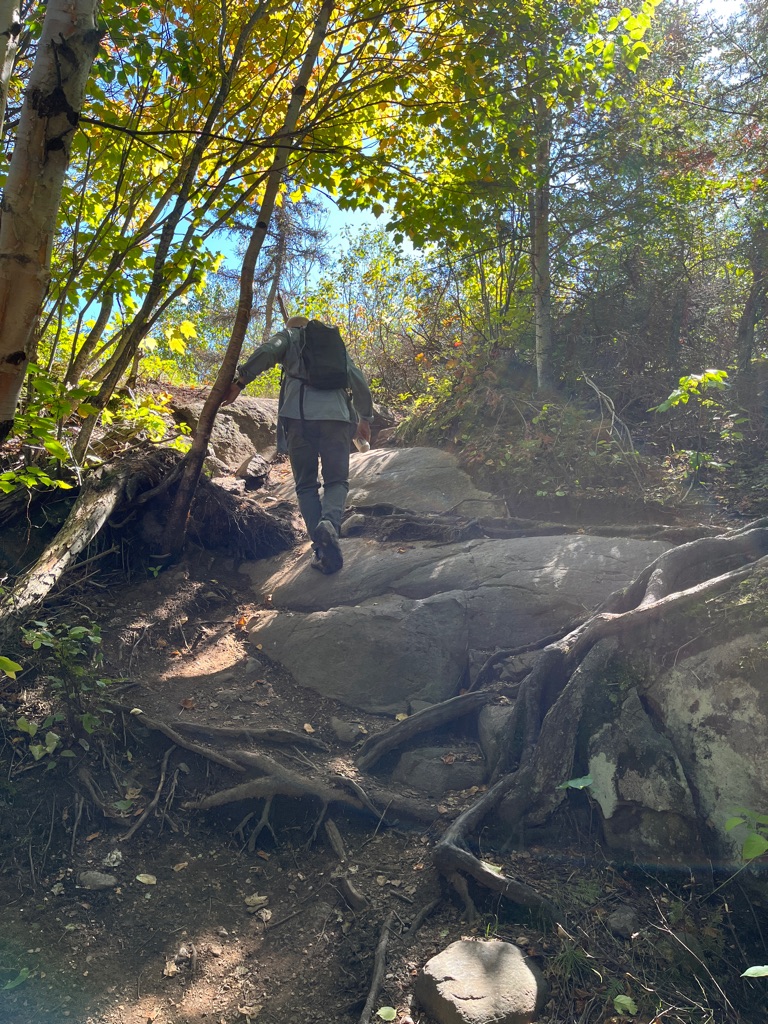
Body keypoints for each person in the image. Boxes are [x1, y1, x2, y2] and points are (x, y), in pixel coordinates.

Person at [222, 315, 373, 574]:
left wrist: (240, 382)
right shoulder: (332, 345)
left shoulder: (290, 336)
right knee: (337, 480)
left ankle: (322, 549)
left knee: (306, 485)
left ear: (291, 327)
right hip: (337, 419)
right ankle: (329, 523)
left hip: (299, 419)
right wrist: (365, 418)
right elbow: (356, 377)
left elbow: (268, 351)